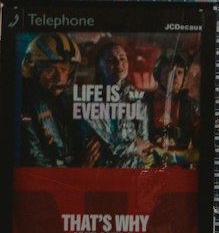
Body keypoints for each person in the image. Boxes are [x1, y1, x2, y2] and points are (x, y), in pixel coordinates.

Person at [19, 32, 86, 167]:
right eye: (50, 70)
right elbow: (35, 161)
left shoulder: (66, 100)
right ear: (33, 70)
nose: (60, 78)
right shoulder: (24, 103)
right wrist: (80, 170)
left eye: (64, 69)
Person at [82, 40, 152, 168]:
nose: (119, 63)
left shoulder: (137, 97)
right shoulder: (92, 99)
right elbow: (108, 147)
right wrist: (134, 146)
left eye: (122, 58)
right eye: (110, 60)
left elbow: (145, 145)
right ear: (99, 66)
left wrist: (136, 147)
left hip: (134, 173)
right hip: (106, 174)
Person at [146, 52, 199, 165]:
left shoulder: (190, 105)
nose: (175, 77)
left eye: (179, 72)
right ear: (158, 75)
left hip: (180, 168)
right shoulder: (146, 101)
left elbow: (203, 148)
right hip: (151, 166)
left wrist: (177, 157)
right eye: (169, 72)